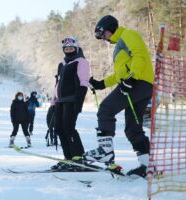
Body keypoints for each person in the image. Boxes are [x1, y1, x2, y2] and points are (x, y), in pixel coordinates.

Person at [79, 15, 154, 178]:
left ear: (109, 28)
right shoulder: (120, 44)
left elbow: (139, 56)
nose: (104, 39)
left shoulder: (128, 35)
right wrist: (101, 84)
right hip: (141, 85)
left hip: (138, 82)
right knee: (133, 128)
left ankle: (105, 150)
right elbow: (120, 74)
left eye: (103, 35)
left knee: (106, 109)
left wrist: (132, 78)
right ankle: (147, 166)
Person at [50, 36, 90, 171]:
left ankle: (78, 157)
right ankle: (68, 157)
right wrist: (53, 103)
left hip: (72, 100)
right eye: (66, 49)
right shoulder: (62, 64)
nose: (69, 50)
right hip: (60, 101)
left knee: (69, 128)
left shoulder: (81, 62)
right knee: (59, 129)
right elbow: (58, 83)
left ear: (77, 48)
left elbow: (84, 82)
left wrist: (79, 101)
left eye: (71, 48)